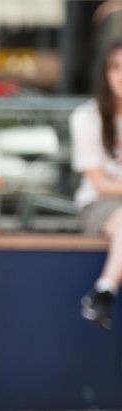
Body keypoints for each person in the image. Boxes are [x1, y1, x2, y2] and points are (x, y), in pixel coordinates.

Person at [75, 41, 122, 330]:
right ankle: (104, 288)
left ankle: (104, 290)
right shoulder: (86, 117)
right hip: (98, 206)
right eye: (115, 67)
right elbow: (99, 184)